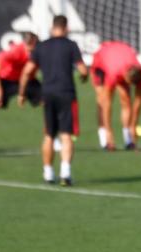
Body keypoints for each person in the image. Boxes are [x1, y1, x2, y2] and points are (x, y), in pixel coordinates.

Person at [19, 15, 88, 186]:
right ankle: (65, 172)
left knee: (49, 135)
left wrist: (21, 93)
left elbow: (27, 71)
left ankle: (48, 173)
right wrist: (84, 77)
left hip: (47, 93)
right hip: (66, 93)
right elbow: (83, 70)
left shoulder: (41, 47)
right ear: (66, 28)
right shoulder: (71, 46)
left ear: (53, 27)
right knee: (66, 135)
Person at [91, 41, 141, 150]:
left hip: (121, 58)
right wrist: (109, 131)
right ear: (125, 76)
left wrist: (133, 126)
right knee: (102, 101)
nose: (128, 86)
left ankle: (128, 139)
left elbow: (138, 101)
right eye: (128, 82)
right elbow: (107, 103)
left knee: (126, 99)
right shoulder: (113, 73)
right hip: (101, 61)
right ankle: (104, 138)